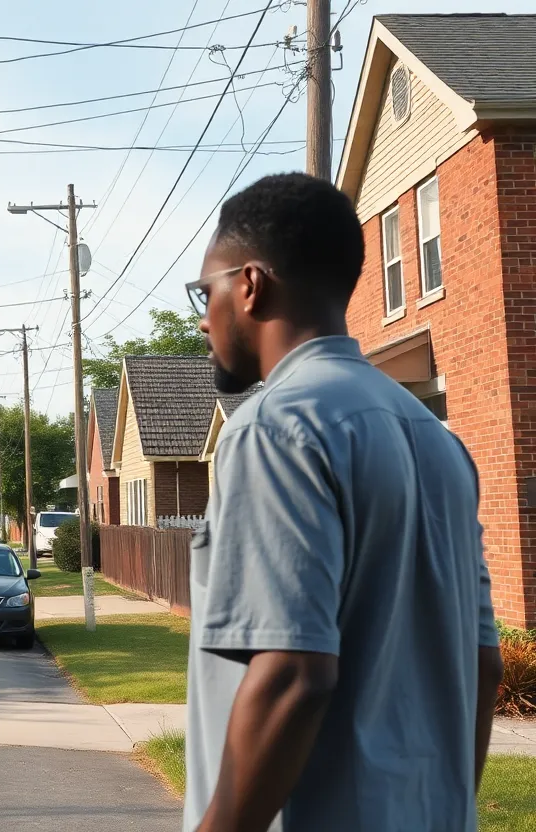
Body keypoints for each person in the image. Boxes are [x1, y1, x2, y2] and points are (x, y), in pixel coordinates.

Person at [184, 173, 503, 832]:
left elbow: (294, 673)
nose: (202, 316)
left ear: (249, 285)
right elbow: (483, 663)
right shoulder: (441, 445)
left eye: (204, 291)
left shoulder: (276, 428)